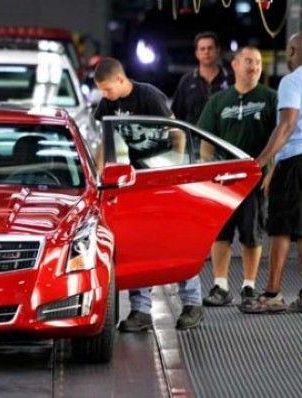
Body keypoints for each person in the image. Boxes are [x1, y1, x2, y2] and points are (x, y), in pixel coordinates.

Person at [93, 57, 204, 331]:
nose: (105, 96)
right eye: (102, 91)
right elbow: (105, 141)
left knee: (175, 239)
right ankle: (141, 311)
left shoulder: (149, 96)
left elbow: (177, 133)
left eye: (108, 89)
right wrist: (96, 176)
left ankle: (193, 304)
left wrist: (172, 175)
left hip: (160, 178)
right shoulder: (108, 103)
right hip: (132, 182)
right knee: (137, 243)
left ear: (121, 80)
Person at [197, 46, 277, 313]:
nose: (253, 67)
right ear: (235, 65)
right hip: (222, 182)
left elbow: (282, 140)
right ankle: (220, 285)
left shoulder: (271, 98)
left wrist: (272, 173)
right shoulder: (219, 101)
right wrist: (208, 173)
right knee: (221, 234)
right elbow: (206, 143)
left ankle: (249, 286)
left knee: (252, 235)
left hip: (255, 180)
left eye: (257, 62)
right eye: (248, 61)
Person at [251, 32, 302, 312]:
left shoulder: (292, 81)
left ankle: (272, 294)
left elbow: (286, 126)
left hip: (294, 162)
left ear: (293, 50)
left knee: (281, 228)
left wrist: (261, 161)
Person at [171, 31, 232, 125]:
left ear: (218, 50)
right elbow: (176, 115)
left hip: (222, 138)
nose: (206, 52)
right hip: (193, 137)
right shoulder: (187, 81)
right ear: (196, 53)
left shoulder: (231, 78)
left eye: (210, 48)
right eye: (202, 49)